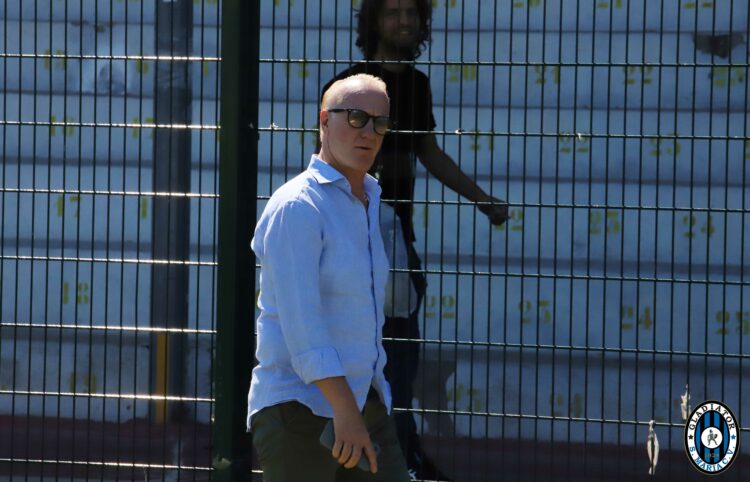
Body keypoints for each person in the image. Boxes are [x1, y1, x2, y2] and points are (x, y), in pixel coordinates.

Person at [322, 1, 508, 479]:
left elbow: (429, 151)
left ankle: (398, 457)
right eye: (393, 12)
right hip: (352, 245)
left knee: (400, 360)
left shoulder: (418, 85)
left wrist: (482, 199)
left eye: (412, 12)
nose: (404, 21)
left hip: (399, 246)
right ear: (373, 22)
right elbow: (324, 166)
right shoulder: (350, 87)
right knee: (356, 356)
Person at [247, 74, 411, 482]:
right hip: (299, 411)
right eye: (355, 117)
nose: (369, 132)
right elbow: (303, 327)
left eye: (380, 122)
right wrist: (345, 411)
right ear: (324, 121)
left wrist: (361, 406)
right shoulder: (297, 206)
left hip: (363, 405)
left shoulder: (368, 199)